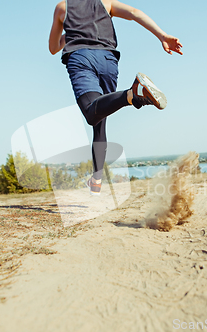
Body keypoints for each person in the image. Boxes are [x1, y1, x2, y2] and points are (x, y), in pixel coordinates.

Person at [49, 0, 183, 195]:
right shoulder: (106, 3)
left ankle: (132, 94)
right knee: (100, 119)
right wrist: (162, 35)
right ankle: (96, 180)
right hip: (108, 60)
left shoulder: (64, 7)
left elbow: (53, 47)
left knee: (91, 112)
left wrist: (69, 30)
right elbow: (134, 12)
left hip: (82, 59)